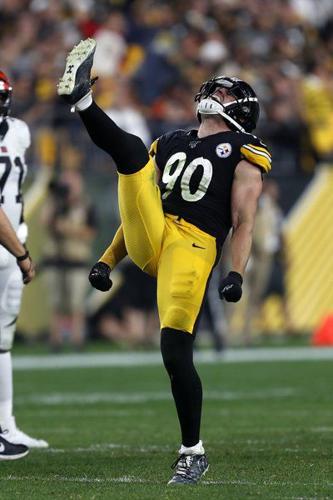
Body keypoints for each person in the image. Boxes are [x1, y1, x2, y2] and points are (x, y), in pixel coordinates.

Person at [57, 39, 271, 485]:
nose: (215, 95)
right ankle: (83, 102)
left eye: (226, 94)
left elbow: (243, 219)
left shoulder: (245, 148)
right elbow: (140, 207)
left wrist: (235, 272)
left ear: (242, 110)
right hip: (156, 233)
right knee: (134, 155)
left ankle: (193, 451)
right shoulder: (173, 139)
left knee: (175, 351)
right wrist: (107, 259)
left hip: (193, 246)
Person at [0, 71, 48, 453]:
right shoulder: (17, 130)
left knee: (2, 342)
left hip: (13, 243)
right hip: (11, 245)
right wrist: (22, 253)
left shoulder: (19, 132)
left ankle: (5, 426)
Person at [41, 169, 97, 351]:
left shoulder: (86, 205)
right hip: (55, 260)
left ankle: (77, 339)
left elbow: (90, 233)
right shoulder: (55, 203)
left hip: (77, 260)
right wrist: (55, 201)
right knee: (56, 302)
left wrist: (67, 229)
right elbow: (44, 222)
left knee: (76, 304)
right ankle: (55, 340)